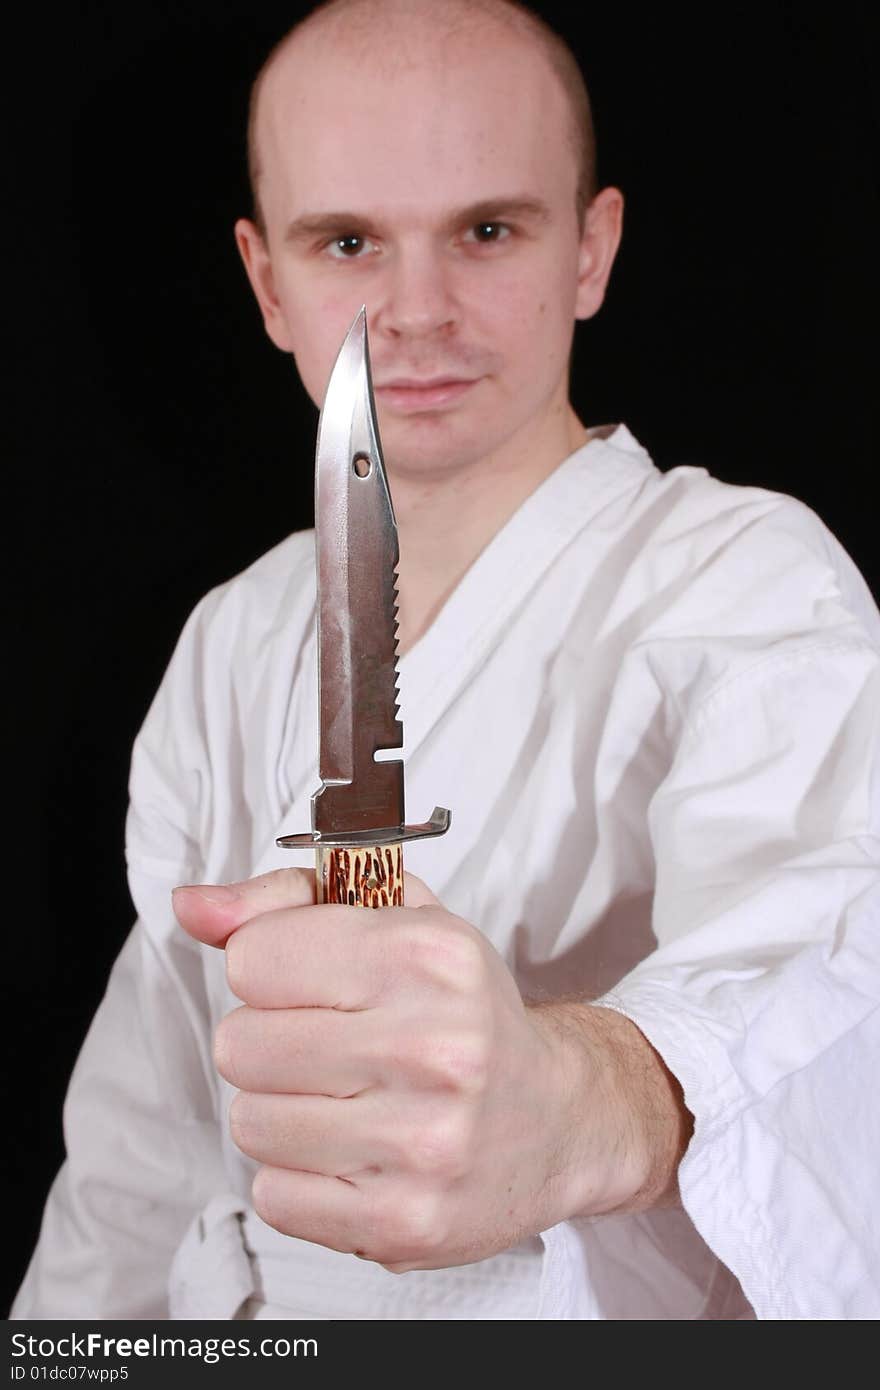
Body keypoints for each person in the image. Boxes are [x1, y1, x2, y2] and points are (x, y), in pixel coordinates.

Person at [13, 0, 880, 1320]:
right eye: (349, 240)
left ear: (592, 248)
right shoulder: (235, 637)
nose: (415, 312)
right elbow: (143, 1149)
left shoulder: (749, 586)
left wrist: (582, 1094)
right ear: (266, 283)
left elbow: (822, 983)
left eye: (487, 230)